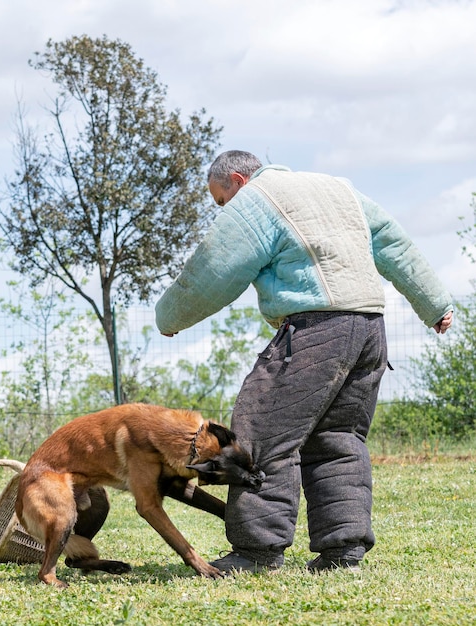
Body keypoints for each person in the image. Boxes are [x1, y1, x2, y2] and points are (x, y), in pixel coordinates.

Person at [155, 150, 453, 574]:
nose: (224, 209)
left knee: (262, 430)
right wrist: (435, 303)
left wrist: (170, 317)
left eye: (222, 200)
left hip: (315, 329)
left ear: (238, 180)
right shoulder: (339, 189)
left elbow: (213, 268)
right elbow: (394, 242)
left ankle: (256, 551)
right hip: (369, 328)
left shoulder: (256, 199)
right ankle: (343, 550)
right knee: (338, 439)